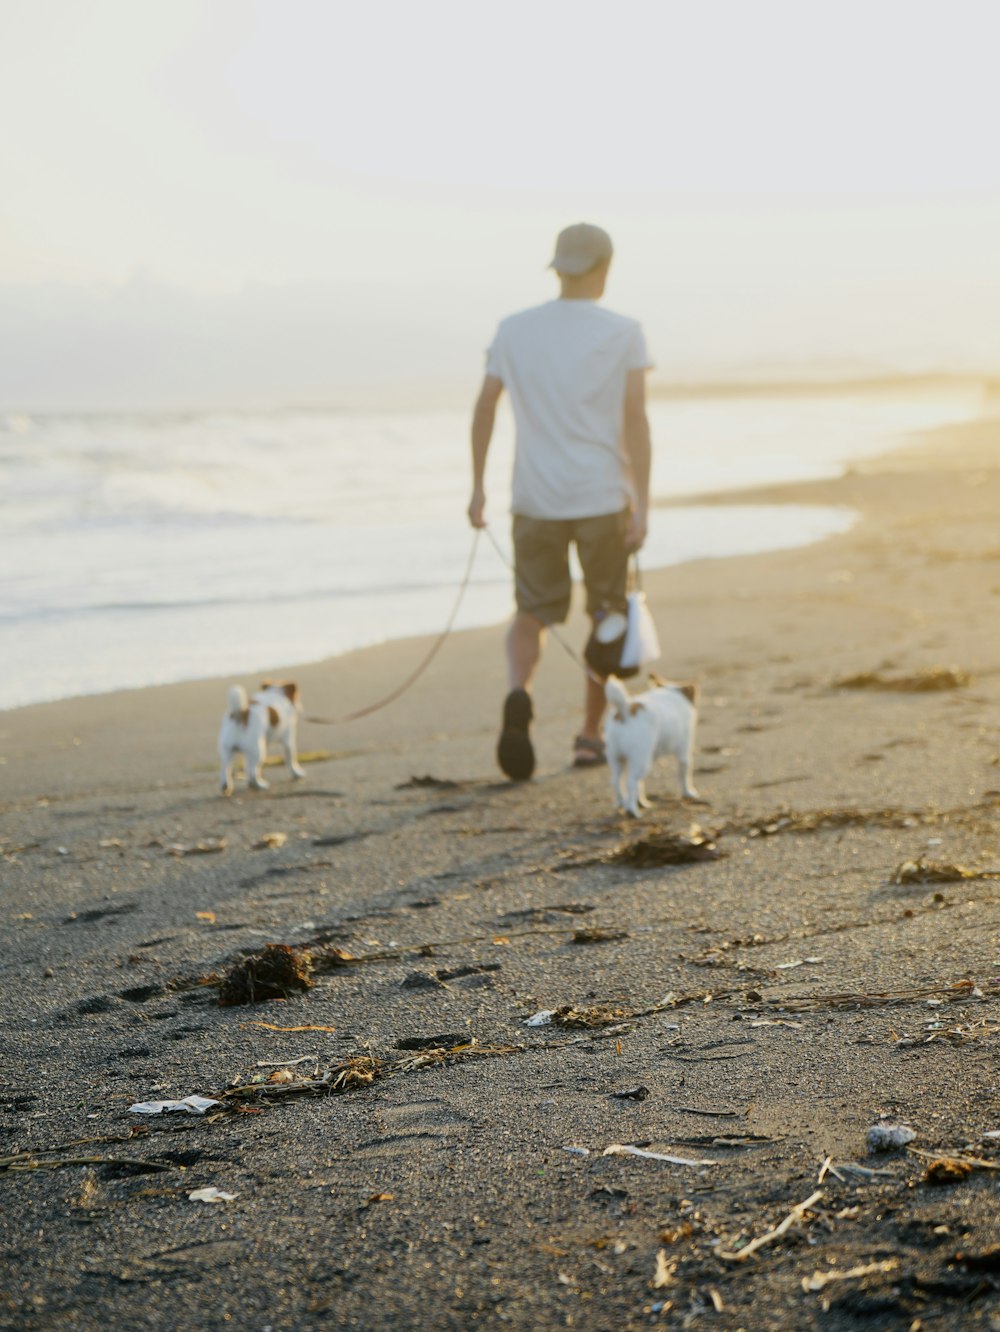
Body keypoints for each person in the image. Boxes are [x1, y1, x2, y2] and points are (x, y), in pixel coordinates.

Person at [468, 222, 652, 780]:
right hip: (601, 496)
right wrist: (642, 501)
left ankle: (518, 694)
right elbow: (635, 419)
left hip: (534, 497)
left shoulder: (513, 329)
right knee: (608, 616)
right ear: (606, 267)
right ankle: (590, 736)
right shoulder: (623, 331)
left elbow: (485, 406)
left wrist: (478, 488)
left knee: (532, 611)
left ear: (557, 268)